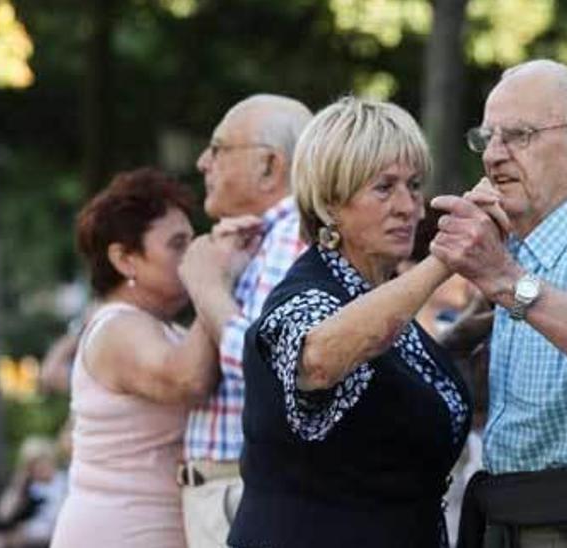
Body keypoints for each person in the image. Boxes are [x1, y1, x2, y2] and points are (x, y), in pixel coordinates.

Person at [229, 97, 476, 548]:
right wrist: (445, 259)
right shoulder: (306, 295)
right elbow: (319, 359)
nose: (409, 207)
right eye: (384, 188)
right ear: (329, 203)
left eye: (415, 185)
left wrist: (479, 325)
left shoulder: (375, 299)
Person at [431, 59, 567, 548]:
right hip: (507, 518)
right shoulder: (520, 246)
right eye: (487, 138)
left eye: (518, 135)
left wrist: (502, 279)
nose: (494, 156)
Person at [51, 168, 252, 548]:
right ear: (125, 259)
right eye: (178, 244)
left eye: (194, 241)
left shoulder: (164, 329)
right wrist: (215, 281)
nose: (194, 255)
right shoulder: (116, 328)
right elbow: (186, 380)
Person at [182, 94, 314, 548]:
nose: (203, 162)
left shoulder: (287, 239)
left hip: (237, 497)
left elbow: (269, 366)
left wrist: (204, 285)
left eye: (218, 148)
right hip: (237, 494)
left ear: (268, 167)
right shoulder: (261, 237)